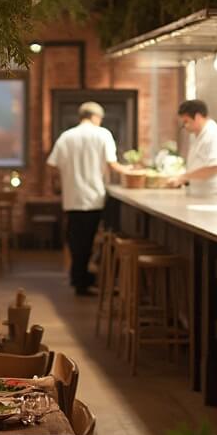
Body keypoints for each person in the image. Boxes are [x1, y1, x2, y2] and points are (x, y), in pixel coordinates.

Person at [47, 101, 126, 296]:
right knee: (89, 240)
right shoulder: (103, 134)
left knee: (76, 240)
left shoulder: (66, 136)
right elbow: (112, 163)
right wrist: (130, 171)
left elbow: (52, 165)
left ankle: (79, 279)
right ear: (96, 117)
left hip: (72, 198)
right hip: (93, 197)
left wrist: (57, 185)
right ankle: (82, 281)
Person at [166, 99, 217, 195]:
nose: (185, 126)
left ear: (197, 116)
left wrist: (184, 177)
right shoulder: (198, 135)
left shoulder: (215, 134)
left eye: (186, 121)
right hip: (203, 193)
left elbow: (215, 166)